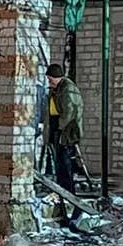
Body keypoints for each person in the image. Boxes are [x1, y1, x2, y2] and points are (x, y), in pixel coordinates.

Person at [46, 63, 83, 193]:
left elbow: (69, 112)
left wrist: (61, 129)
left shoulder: (67, 88)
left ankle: (68, 190)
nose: (49, 82)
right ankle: (62, 188)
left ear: (57, 77)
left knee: (65, 160)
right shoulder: (57, 88)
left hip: (67, 129)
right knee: (59, 160)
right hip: (58, 126)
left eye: (50, 79)